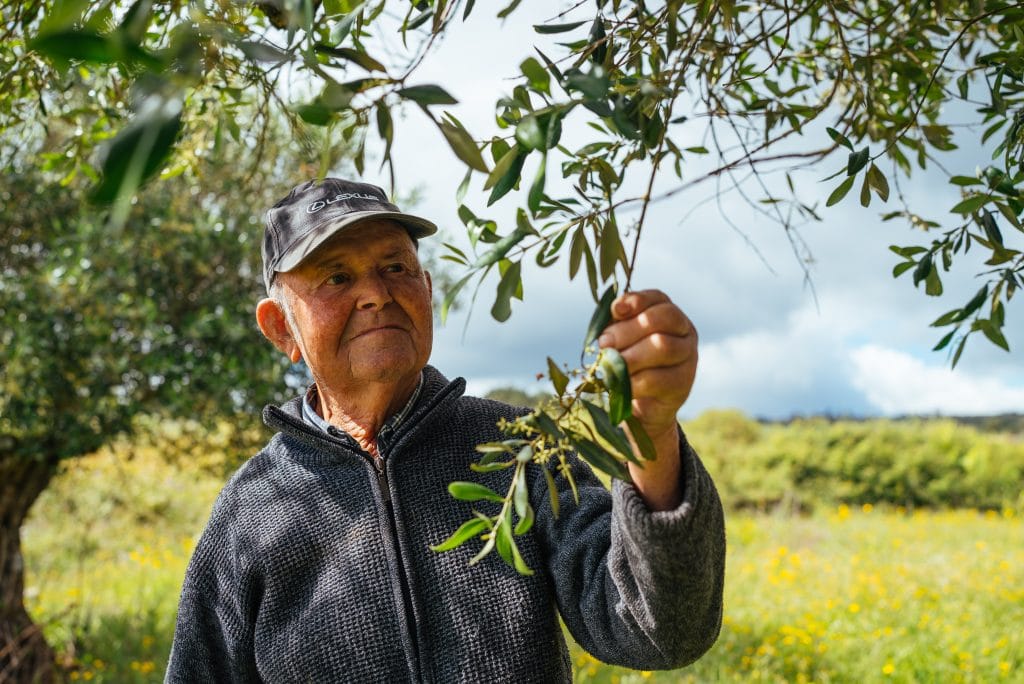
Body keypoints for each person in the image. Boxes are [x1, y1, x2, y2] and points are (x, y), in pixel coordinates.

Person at [165, 178, 725, 683]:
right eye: (337, 276)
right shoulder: (251, 509)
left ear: (426, 289)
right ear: (281, 327)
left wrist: (651, 434)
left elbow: (660, 632)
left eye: (395, 268)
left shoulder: (517, 447)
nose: (377, 294)